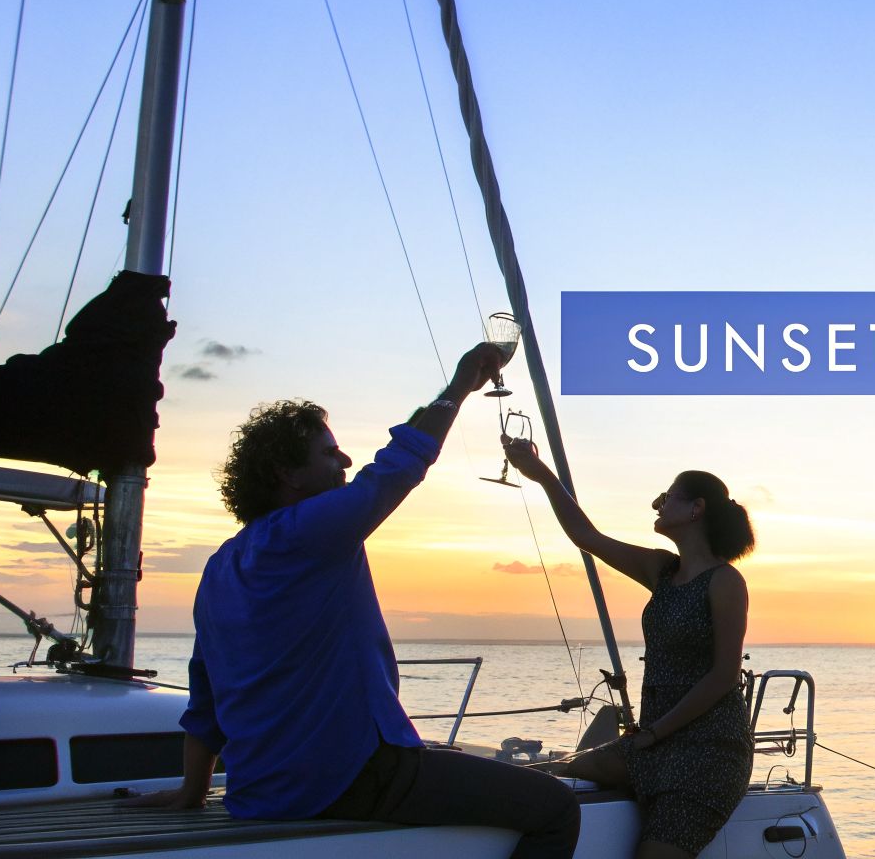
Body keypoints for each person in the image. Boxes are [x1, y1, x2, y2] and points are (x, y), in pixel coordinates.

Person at [128, 343, 581, 859]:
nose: (345, 460)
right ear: (287, 473)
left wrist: (193, 791)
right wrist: (459, 388)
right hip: (348, 776)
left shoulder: (221, 566)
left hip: (259, 792)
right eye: (329, 452)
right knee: (556, 809)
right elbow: (397, 466)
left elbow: (205, 697)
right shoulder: (309, 534)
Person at [503, 437, 754, 859]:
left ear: (697, 509)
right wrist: (541, 473)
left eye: (667, 496)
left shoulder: (725, 583)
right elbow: (586, 536)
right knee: (558, 773)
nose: (657, 504)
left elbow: (724, 676)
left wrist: (654, 732)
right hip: (655, 744)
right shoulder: (661, 569)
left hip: (709, 753)